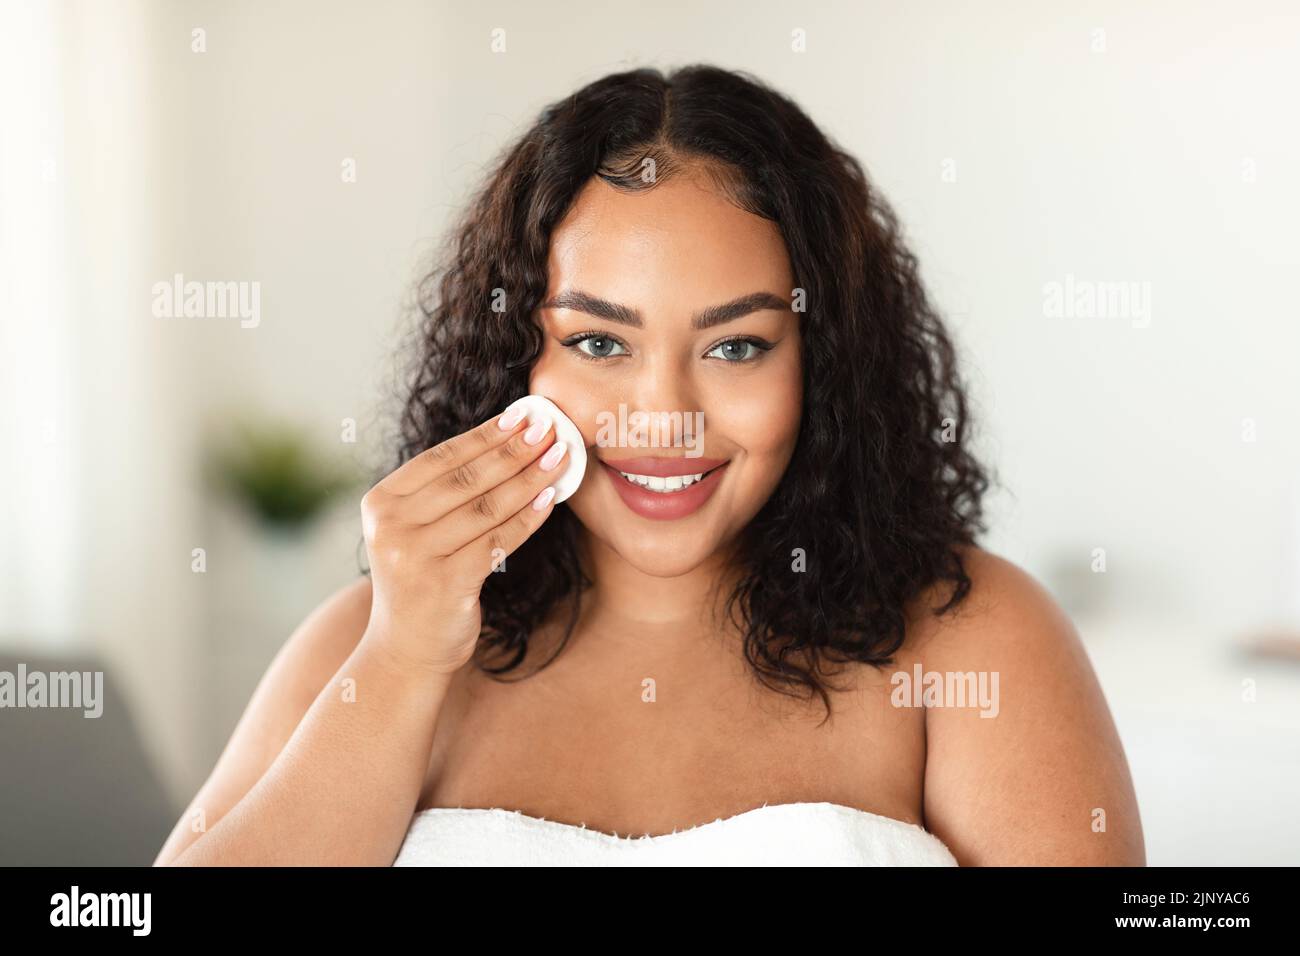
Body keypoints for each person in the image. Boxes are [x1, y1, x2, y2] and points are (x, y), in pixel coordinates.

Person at [154, 64, 1144, 866]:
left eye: (737, 346)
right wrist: (405, 657)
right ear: (512, 359)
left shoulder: (974, 641)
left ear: (823, 362)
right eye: (597, 343)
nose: (663, 416)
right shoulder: (366, 642)